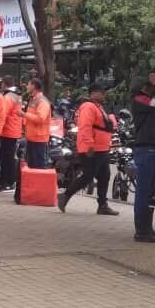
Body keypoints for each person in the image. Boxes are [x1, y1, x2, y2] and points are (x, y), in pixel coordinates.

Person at [58, 83, 119, 216]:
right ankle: (65, 196)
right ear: (93, 94)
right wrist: (89, 144)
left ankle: (102, 205)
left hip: (101, 148)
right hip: (92, 148)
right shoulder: (88, 106)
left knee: (104, 176)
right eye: (101, 92)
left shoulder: (99, 107)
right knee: (88, 176)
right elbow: (85, 127)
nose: (104, 95)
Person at [129, 72, 155, 242]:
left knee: (149, 191)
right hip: (146, 149)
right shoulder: (140, 99)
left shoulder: (145, 101)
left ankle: (147, 228)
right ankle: (142, 231)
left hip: (153, 147)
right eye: (149, 86)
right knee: (144, 191)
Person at [14, 78, 52, 204]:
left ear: (34, 86)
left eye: (29, 84)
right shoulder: (33, 99)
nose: (27, 86)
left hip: (39, 139)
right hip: (32, 138)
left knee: (39, 168)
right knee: (31, 168)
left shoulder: (42, 101)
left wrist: (23, 115)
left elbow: (41, 118)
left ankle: (40, 196)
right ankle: (33, 195)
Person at [0, 76, 23, 191]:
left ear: (4, 84)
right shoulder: (16, 95)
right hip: (14, 129)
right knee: (9, 157)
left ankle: (7, 182)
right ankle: (8, 181)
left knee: (6, 157)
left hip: (8, 130)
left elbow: (3, 114)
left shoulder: (8, 97)